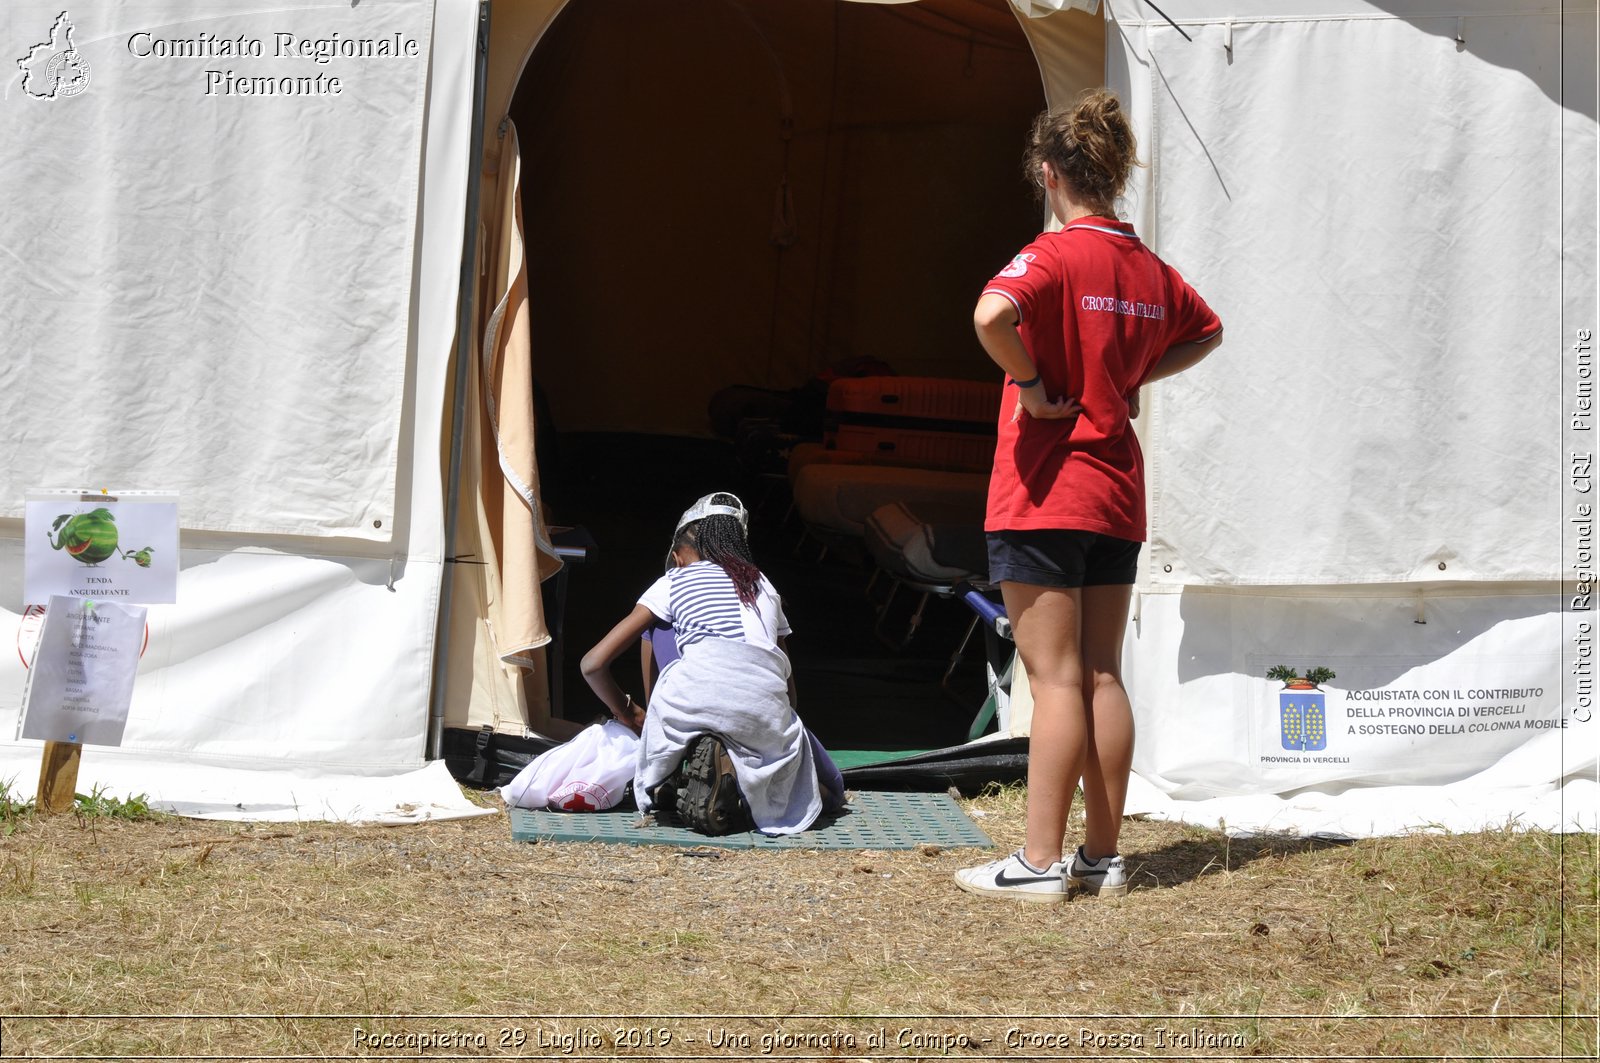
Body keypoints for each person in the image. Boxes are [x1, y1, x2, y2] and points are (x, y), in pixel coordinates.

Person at [955, 90, 1224, 903]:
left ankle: (1038, 862)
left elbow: (991, 314)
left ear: (1049, 174)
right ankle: (1101, 859)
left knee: (1056, 679)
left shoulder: (1054, 253)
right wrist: (1133, 373)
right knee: (1104, 672)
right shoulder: (1145, 265)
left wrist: (1032, 385)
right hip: (1116, 492)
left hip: (1045, 489)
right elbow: (1206, 330)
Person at [580, 492, 843, 836]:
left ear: (677, 555)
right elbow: (787, 689)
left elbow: (592, 664)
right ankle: (738, 782)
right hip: (763, 713)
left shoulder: (671, 582)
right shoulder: (764, 586)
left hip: (686, 702)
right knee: (830, 791)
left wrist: (631, 712)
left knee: (656, 625)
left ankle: (674, 762)